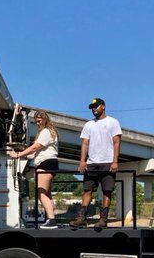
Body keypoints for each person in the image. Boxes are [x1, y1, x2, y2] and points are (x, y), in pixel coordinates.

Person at [71, 97, 121, 230]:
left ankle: (103, 219)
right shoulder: (88, 124)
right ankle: (81, 218)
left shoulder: (113, 122)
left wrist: (115, 161)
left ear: (103, 106)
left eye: (96, 106)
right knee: (87, 190)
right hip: (91, 163)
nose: (94, 109)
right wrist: (82, 161)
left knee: (107, 191)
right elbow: (85, 144)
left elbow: (116, 142)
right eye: (92, 107)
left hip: (108, 162)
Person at [8, 108, 59, 228]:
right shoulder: (49, 132)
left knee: (41, 192)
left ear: (45, 120)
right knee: (47, 193)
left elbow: (34, 147)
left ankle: (51, 220)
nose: (38, 123)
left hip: (45, 164)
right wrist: (22, 155)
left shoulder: (46, 132)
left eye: (39, 120)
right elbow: (34, 154)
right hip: (48, 163)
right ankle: (50, 218)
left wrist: (17, 155)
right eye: (36, 121)